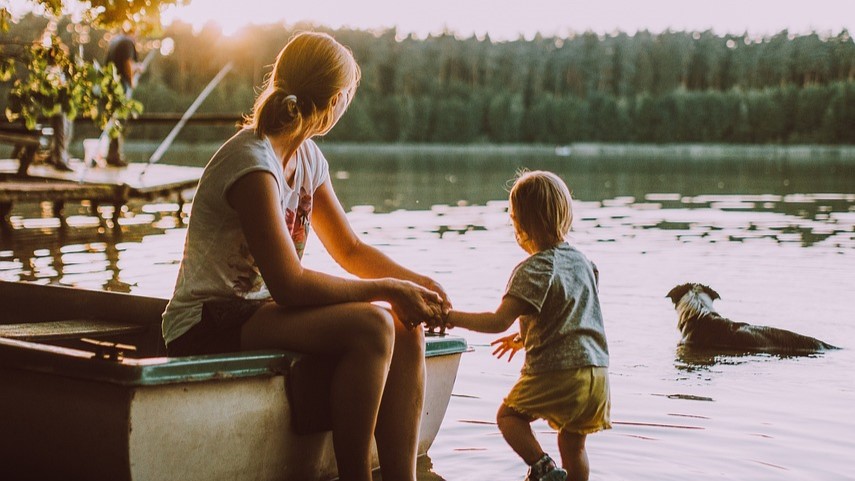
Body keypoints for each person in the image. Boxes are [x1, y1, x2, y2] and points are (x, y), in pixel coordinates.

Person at [160, 31, 449, 481]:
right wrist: (390, 289)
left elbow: (349, 249)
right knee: (374, 323)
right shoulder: (253, 163)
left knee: (404, 327)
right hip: (205, 322)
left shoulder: (308, 159)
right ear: (335, 102)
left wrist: (417, 285)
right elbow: (290, 284)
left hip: (258, 313)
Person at [440, 170, 611, 481]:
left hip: (559, 372)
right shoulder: (586, 264)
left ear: (519, 224)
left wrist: (450, 317)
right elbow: (569, 313)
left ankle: (543, 467)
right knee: (573, 445)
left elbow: (497, 321)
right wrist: (522, 339)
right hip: (597, 376)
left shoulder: (534, 268)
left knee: (509, 417)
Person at [103, 30, 140, 166]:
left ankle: (112, 154)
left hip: (110, 85)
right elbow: (127, 63)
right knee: (119, 120)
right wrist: (131, 82)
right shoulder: (128, 42)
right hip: (121, 86)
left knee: (113, 120)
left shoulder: (114, 41)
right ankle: (114, 156)